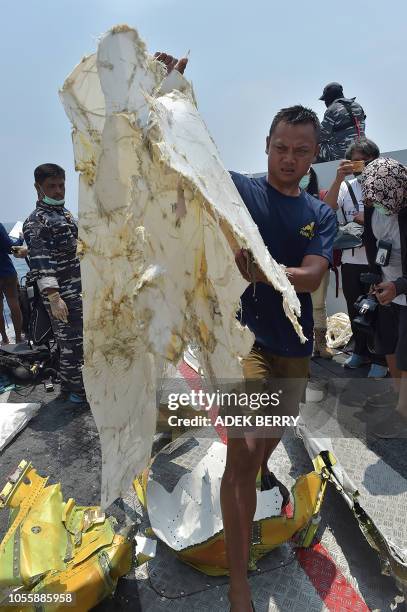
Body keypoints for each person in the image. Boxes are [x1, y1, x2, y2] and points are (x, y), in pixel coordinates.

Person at [226, 106, 336, 612]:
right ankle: (238, 584)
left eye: (301, 151)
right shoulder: (243, 191)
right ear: (266, 145)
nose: (289, 159)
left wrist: (266, 271)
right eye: (280, 148)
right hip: (247, 341)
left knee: (271, 434)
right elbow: (186, 155)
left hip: (295, 349)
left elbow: (313, 277)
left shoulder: (320, 214)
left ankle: (257, 476)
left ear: (315, 155)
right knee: (245, 448)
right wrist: (165, 90)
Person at [323, 138, 388, 377]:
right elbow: (327, 208)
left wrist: (368, 215)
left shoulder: (384, 184)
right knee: (355, 309)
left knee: (380, 311)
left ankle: (380, 359)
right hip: (351, 260)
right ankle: (359, 352)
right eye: (357, 161)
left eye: (367, 160)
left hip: (380, 261)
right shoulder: (346, 186)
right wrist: (338, 177)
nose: (363, 166)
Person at [23, 164, 86, 403]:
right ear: (38, 187)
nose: (59, 191)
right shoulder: (37, 221)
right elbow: (42, 263)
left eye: (61, 185)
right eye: (52, 186)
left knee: (80, 342)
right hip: (63, 296)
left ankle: (81, 386)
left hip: (79, 291)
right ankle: (76, 393)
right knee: (71, 346)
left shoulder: (64, 214)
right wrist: (54, 298)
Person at [361, 157, 407, 438]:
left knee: (406, 355)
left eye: (382, 198)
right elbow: (371, 242)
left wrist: (399, 286)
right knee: (387, 344)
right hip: (387, 290)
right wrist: (377, 279)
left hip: (402, 291)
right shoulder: (373, 207)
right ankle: (397, 397)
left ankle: (402, 415)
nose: (376, 203)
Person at [303, 166, 334, 358]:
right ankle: (304, 343)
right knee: (295, 305)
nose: (302, 178)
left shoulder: (320, 197)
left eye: (307, 175)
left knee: (318, 305)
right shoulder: (284, 199)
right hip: (294, 261)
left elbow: (331, 210)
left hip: (318, 261)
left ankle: (321, 344)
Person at [316, 82, 366, 163]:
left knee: (315, 146)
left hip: (344, 154)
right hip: (364, 150)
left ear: (329, 98)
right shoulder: (357, 105)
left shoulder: (332, 109)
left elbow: (320, 136)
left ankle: (315, 174)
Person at [0, 222, 24, 344]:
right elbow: (11, 248)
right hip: (7, 271)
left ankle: (4, 339)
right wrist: (20, 239)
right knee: (14, 304)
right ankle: (19, 338)